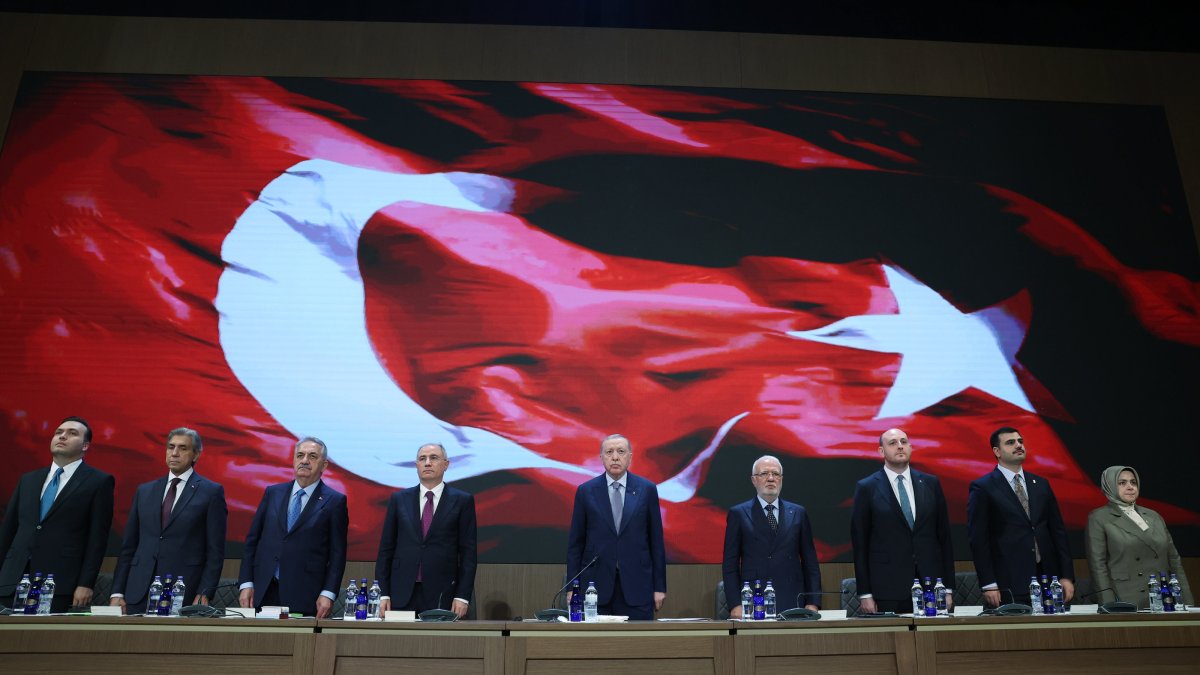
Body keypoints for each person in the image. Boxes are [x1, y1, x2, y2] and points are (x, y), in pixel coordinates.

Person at [0, 417, 115, 613]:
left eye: (72, 433)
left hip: (58, 584)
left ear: (85, 445)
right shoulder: (29, 480)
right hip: (12, 580)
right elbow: (8, 531)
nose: (62, 436)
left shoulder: (98, 481)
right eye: (59, 432)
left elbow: (97, 539)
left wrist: (85, 583)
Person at [110, 428, 228, 614]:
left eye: (183, 448)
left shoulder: (211, 492)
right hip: (137, 590)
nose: (174, 453)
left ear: (195, 454)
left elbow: (215, 550)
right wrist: (117, 591)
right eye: (171, 447)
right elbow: (129, 547)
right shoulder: (145, 491)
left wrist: (205, 591)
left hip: (183, 590)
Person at [238, 437, 348, 618]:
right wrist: (246, 583)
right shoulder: (273, 493)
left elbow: (337, 555)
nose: (305, 460)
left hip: (305, 594)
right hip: (262, 590)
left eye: (312, 456)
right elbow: (252, 541)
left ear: (324, 465)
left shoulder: (334, 501)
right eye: (300, 455)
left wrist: (328, 593)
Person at [850, 428, 955, 614]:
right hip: (887, 588)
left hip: (931, 586)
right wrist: (865, 593)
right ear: (881, 451)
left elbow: (944, 538)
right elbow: (860, 544)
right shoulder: (867, 487)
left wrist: (947, 589)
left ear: (911, 447)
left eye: (904, 442)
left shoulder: (931, 483)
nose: (900, 446)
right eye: (892, 443)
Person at [968, 426, 1074, 607]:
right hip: (1009, 581)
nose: (1018, 445)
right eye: (1010, 443)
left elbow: (1057, 532)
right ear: (997, 451)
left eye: (1020, 441)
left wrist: (1066, 576)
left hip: (1048, 578)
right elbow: (979, 539)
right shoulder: (983, 487)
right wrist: (988, 583)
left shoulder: (1040, 484)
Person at [566, 434, 666, 620]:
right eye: (609, 452)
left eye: (620, 452)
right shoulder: (586, 491)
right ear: (601, 457)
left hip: (638, 585)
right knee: (596, 646)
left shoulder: (647, 490)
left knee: (638, 645)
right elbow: (575, 545)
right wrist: (573, 588)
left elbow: (656, 542)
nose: (615, 457)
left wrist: (659, 587)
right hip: (594, 588)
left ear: (630, 456)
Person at [376, 443, 477, 617]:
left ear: (446, 464)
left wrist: (462, 596)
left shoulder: (462, 501)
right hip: (400, 594)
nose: (427, 463)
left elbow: (468, 554)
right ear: (416, 465)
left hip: (443, 594)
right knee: (397, 642)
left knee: (438, 643)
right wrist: (382, 592)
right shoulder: (399, 499)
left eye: (434, 458)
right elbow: (386, 550)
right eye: (422, 459)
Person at [722, 455, 821, 617]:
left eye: (775, 474)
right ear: (754, 480)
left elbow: (810, 563)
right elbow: (730, 565)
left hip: (793, 597)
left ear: (781, 479)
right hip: (754, 598)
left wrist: (813, 602)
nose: (770, 478)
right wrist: (735, 604)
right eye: (764, 474)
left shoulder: (798, 513)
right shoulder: (739, 514)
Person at [1085, 465, 1194, 609]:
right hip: (1126, 598)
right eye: (1122, 483)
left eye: (1133, 482)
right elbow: (1098, 567)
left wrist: (1187, 601)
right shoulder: (1099, 518)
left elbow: (1174, 560)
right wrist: (1109, 606)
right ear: (1109, 486)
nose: (1130, 487)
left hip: (1164, 596)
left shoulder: (1153, 515)